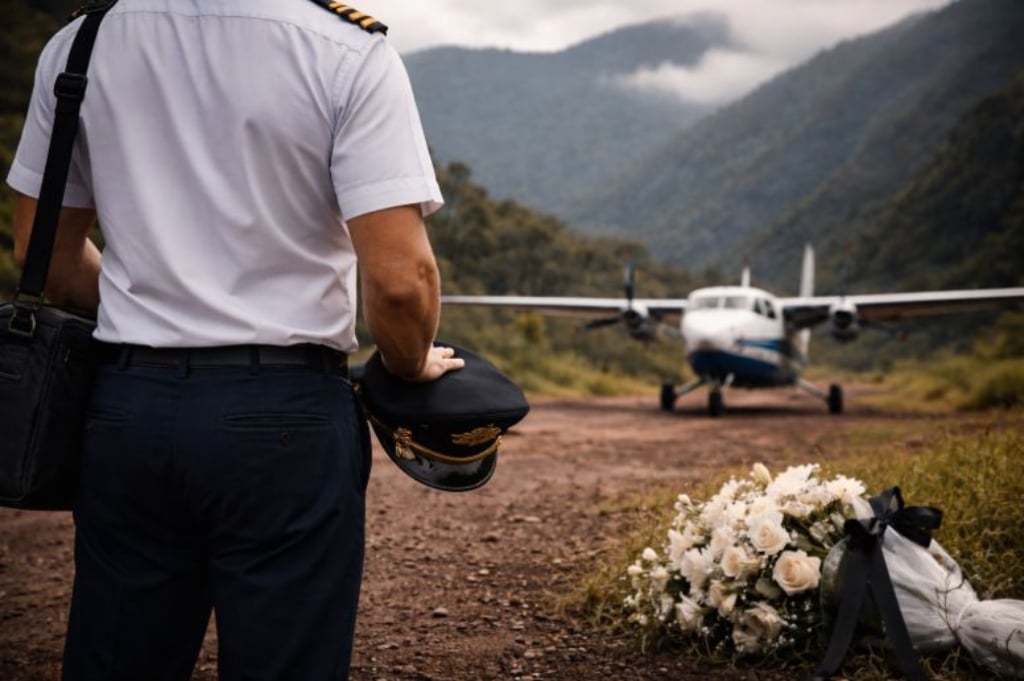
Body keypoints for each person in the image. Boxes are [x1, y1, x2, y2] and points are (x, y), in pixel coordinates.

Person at [7, 1, 463, 678]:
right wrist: (407, 361)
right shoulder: (347, 50)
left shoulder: (81, 44)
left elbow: (45, 258)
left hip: (127, 408)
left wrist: (154, 309)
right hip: (286, 414)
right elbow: (401, 283)